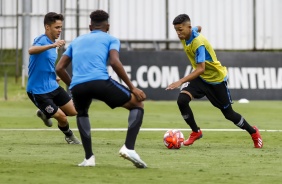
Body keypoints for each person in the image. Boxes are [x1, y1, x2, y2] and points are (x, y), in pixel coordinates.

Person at [56, 9, 147, 168]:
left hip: (77, 86)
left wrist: (73, 85)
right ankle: (129, 148)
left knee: (82, 113)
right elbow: (114, 62)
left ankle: (89, 158)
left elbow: (59, 68)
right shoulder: (111, 39)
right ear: (108, 26)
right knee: (137, 104)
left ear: (90, 27)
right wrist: (132, 88)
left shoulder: (76, 41)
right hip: (100, 81)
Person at [166, 14, 263, 148]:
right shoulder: (188, 32)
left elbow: (200, 69)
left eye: (180, 29)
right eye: (176, 30)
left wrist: (180, 81)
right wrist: (196, 29)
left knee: (229, 115)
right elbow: (198, 28)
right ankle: (196, 131)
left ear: (188, 27)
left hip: (216, 80)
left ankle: (253, 132)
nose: (178, 33)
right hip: (201, 79)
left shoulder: (198, 43)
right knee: (182, 100)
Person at [26, 12, 81, 145]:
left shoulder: (53, 45)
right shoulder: (42, 40)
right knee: (62, 118)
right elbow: (31, 50)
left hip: (52, 86)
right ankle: (69, 136)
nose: (60, 30)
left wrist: (54, 76)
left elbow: (47, 63)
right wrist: (52, 45)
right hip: (38, 90)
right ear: (47, 27)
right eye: (57, 27)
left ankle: (45, 112)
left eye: (61, 27)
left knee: (74, 111)